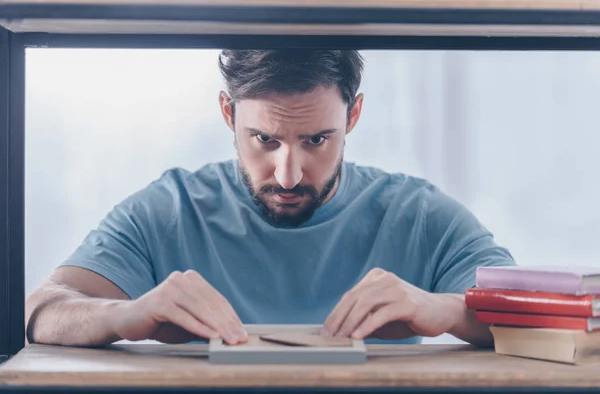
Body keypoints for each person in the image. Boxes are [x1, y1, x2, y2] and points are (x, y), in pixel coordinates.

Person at [25, 50, 516, 348]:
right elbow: (42, 309)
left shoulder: (420, 215)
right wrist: (125, 317)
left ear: (354, 116)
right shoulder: (169, 209)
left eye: (317, 140)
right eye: (265, 140)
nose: (287, 175)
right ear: (227, 113)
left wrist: (446, 311)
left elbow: (548, 318)